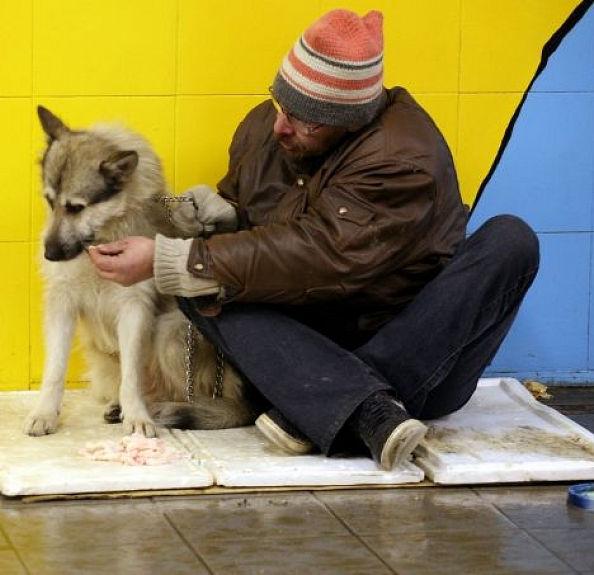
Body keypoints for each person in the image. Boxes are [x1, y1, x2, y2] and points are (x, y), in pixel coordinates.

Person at [88, 9, 540, 470]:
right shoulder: (268, 126)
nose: (280, 125)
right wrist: (224, 214)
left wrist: (172, 256)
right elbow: (258, 235)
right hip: (302, 354)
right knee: (200, 281)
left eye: (306, 122)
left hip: (414, 355)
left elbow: (322, 253)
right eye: (280, 105)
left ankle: (342, 407)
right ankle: (356, 410)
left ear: (351, 122)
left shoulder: (400, 157)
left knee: (511, 240)